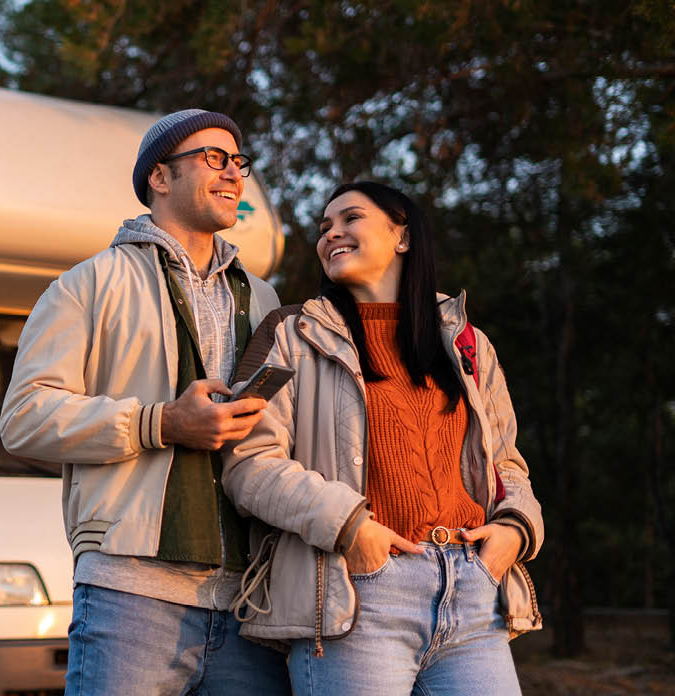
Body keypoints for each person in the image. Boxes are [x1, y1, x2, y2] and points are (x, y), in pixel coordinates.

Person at [0, 109, 292, 694]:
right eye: (213, 158)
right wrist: (160, 423)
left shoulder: (264, 298)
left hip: (251, 602)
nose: (233, 173)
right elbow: (24, 417)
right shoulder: (88, 284)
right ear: (159, 177)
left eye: (238, 162)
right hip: (130, 594)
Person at [222, 181, 543, 695]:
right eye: (325, 227)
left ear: (403, 237)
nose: (333, 234)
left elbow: (506, 462)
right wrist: (350, 527)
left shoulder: (467, 343)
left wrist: (516, 530)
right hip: (359, 591)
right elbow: (248, 463)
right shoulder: (291, 334)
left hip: (472, 588)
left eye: (351, 219)